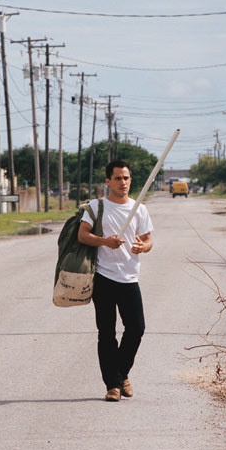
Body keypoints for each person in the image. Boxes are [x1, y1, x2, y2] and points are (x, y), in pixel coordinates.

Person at [78, 160, 153, 401]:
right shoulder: (96, 206)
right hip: (104, 277)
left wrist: (144, 246)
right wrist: (104, 241)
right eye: (118, 178)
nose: (123, 182)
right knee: (106, 332)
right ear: (108, 181)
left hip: (130, 278)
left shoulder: (139, 208)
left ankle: (122, 374)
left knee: (136, 329)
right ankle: (113, 385)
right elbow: (83, 235)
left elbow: (148, 240)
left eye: (127, 178)